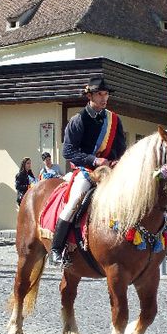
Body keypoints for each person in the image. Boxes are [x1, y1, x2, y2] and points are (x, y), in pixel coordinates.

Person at [50, 75, 126, 265]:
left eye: (106, 94)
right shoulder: (78, 120)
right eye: (99, 94)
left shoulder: (114, 120)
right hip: (85, 171)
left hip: (109, 172)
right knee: (74, 202)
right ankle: (56, 249)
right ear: (89, 96)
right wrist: (94, 159)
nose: (104, 98)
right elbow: (68, 151)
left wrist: (116, 161)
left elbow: (120, 148)